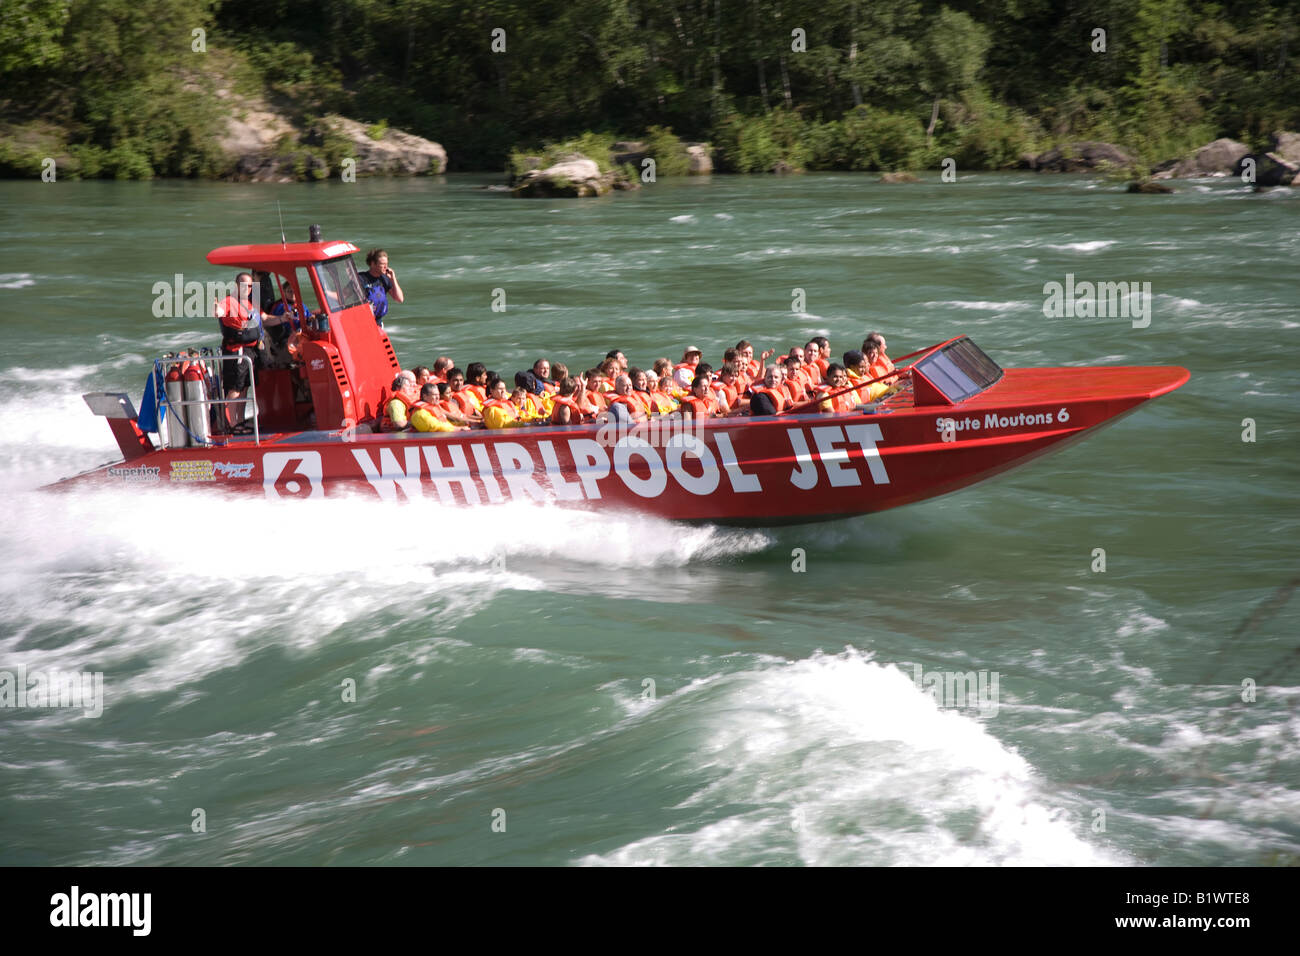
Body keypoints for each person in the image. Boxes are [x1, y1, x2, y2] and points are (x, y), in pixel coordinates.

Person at [214, 271, 264, 432]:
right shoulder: (229, 301)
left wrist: (283, 318)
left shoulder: (248, 304)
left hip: (249, 351)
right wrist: (216, 310)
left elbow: (261, 318)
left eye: (250, 286)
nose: (248, 289)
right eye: (244, 285)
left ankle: (240, 421)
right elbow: (220, 311)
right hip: (237, 351)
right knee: (235, 388)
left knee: (244, 387)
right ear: (237, 285)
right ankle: (230, 424)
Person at [358, 248, 404, 326]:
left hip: (378, 323)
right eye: (382, 264)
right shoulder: (361, 278)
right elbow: (344, 296)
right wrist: (329, 294)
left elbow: (399, 299)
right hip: (363, 323)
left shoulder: (384, 279)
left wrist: (393, 279)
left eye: (387, 264)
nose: (386, 267)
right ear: (373, 264)